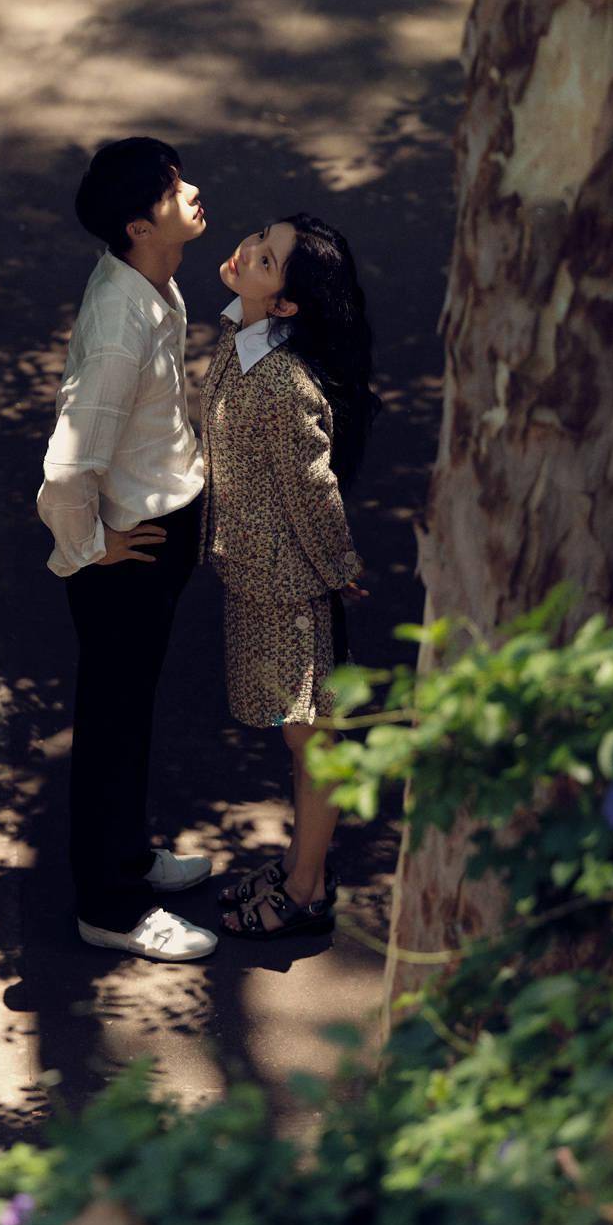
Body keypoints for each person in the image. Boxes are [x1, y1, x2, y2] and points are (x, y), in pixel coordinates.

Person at [38, 137, 218, 962]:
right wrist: (88, 549)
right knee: (112, 725)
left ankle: (129, 856)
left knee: (130, 715)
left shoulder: (152, 281)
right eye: (175, 188)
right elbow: (69, 464)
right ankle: (109, 906)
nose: (193, 193)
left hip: (156, 533)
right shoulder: (121, 323)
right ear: (142, 223)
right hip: (127, 559)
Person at [199, 214, 378, 940]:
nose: (245, 252)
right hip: (254, 573)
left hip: (289, 585)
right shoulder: (242, 339)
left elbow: (314, 490)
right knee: (299, 733)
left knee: (314, 738)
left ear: (287, 304)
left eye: (266, 259)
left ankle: (305, 887)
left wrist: (340, 569)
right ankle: (306, 868)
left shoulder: (284, 382)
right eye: (257, 241)